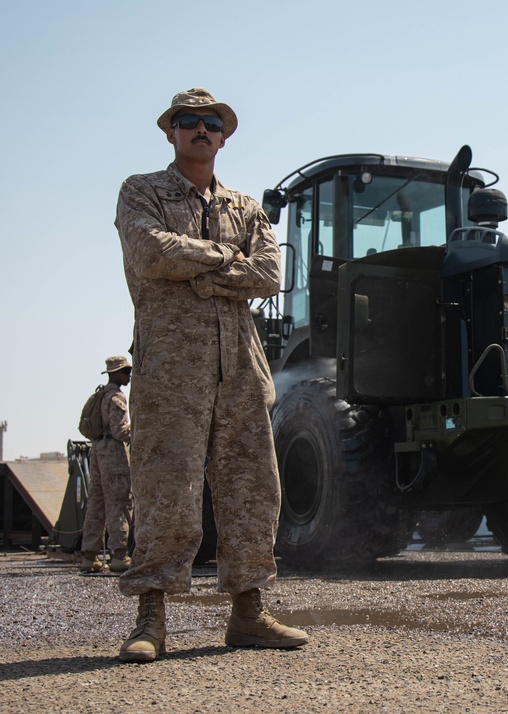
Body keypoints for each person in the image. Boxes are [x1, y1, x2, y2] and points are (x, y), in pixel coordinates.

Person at [114, 88, 308, 662]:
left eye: (210, 123)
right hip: (171, 367)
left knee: (252, 487)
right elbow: (150, 253)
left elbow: (270, 273)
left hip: (241, 366)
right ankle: (151, 616)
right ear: (170, 132)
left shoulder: (245, 207)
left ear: (224, 136)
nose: (200, 129)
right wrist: (227, 261)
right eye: (188, 121)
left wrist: (197, 269)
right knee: (165, 486)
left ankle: (248, 612)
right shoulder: (142, 190)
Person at [79, 356, 133, 574]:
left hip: (97, 450)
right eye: (125, 372)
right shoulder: (116, 397)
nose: (129, 376)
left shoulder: (101, 394)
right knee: (118, 502)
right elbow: (121, 431)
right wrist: (143, 430)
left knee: (97, 504)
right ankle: (119, 555)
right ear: (115, 373)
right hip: (113, 452)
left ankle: (89, 557)